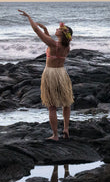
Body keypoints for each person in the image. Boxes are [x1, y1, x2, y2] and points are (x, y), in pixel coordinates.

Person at [18, 10, 74, 140]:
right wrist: (46, 29)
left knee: (52, 106)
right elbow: (51, 44)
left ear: (63, 34)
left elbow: (36, 31)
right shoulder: (66, 47)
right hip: (62, 73)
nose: (57, 29)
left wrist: (29, 18)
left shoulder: (53, 44)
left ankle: (55, 135)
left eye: (59, 29)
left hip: (50, 74)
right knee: (66, 102)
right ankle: (66, 128)